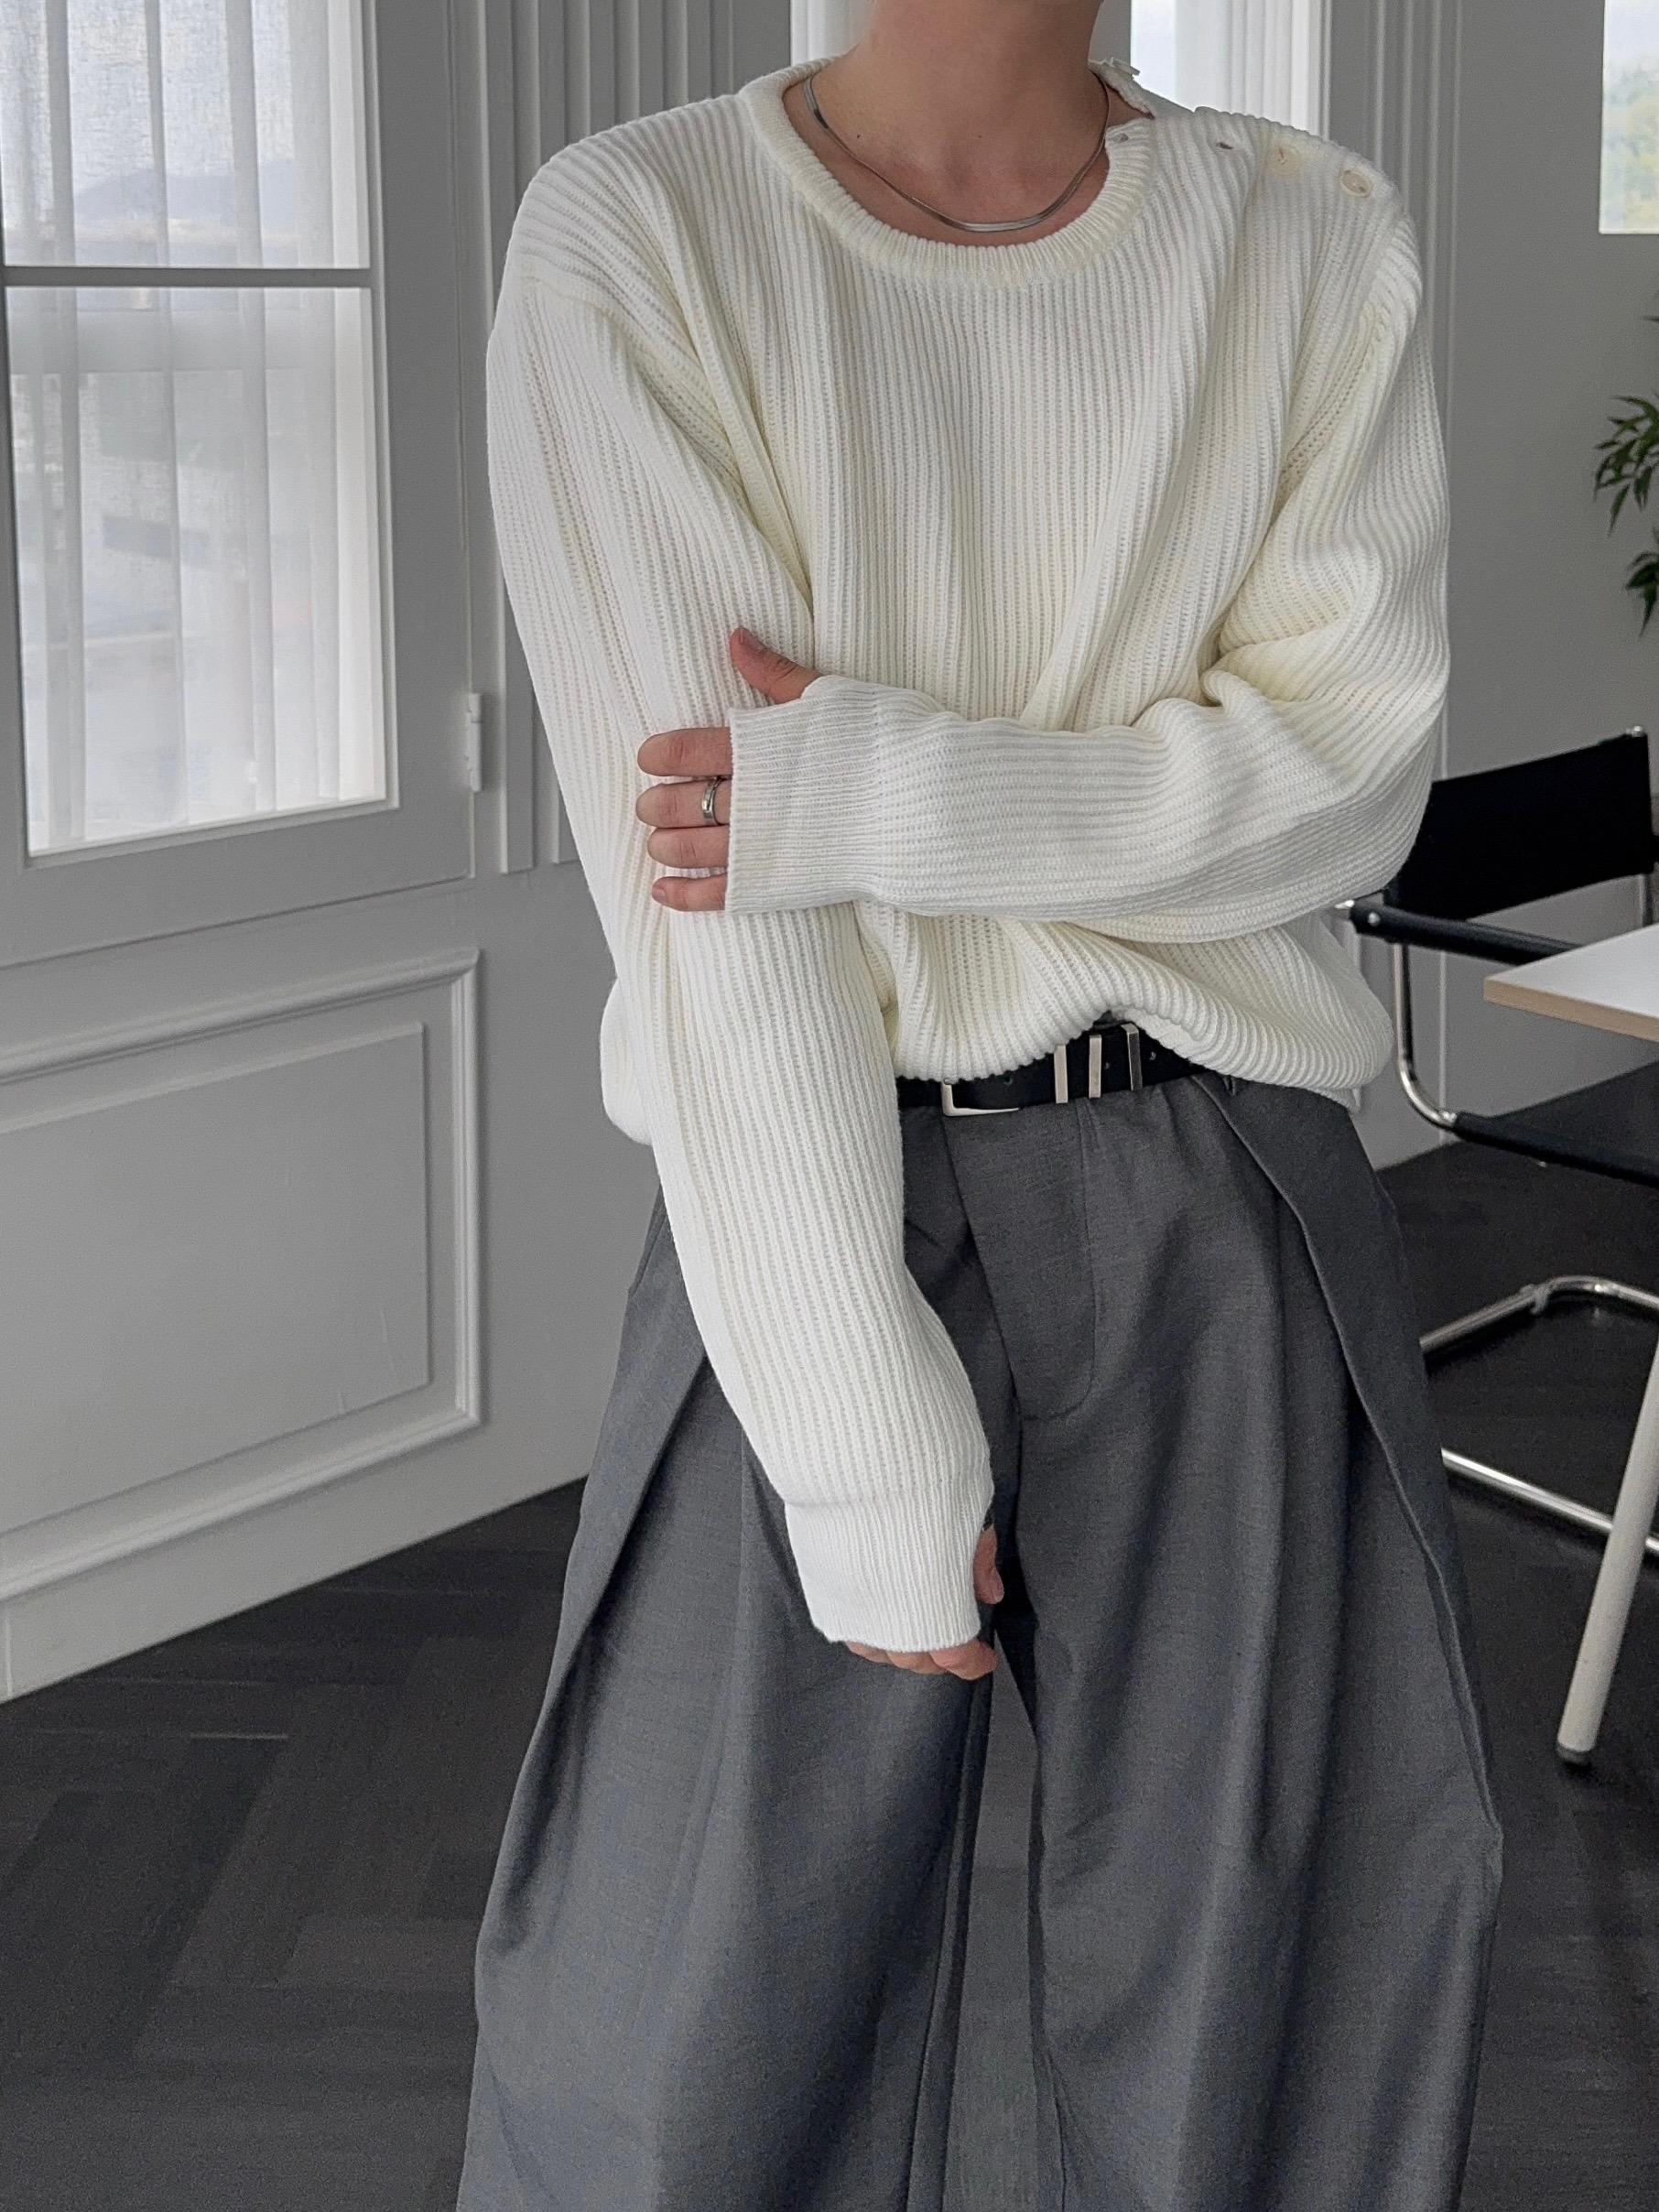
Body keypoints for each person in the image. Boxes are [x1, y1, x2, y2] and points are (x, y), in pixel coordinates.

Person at [458, 5, 1503, 2207]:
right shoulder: (640, 236)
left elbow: (1341, 790)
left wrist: (880, 791)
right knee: (684, 2043)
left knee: (1272, 1999)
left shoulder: (1315, 237)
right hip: (813, 1192)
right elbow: (712, 913)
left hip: (1223, 1172)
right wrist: (862, 1441)